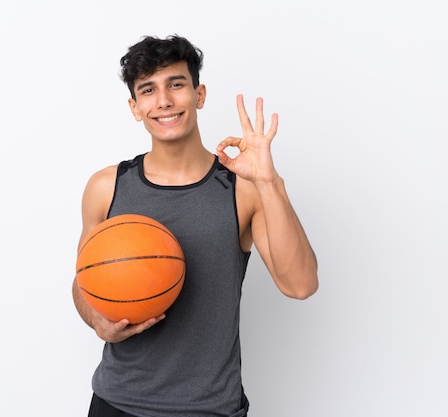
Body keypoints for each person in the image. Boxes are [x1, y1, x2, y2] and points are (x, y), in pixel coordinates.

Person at [72, 34, 318, 417]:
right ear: (135, 107)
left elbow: (300, 284)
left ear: (199, 95)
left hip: (210, 409)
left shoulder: (243, 189)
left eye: (176, 84)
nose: (164, 101)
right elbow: (83, 281)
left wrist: (269, 183)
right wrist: (97, 322)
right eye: (148, 90)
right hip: (116, 404)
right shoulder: (107, 187)